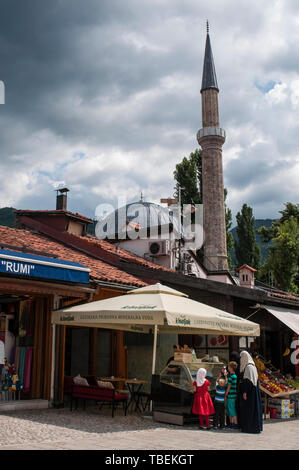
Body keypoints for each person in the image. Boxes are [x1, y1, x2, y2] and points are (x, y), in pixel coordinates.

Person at [238, 350, 263, 434]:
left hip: (250, 393)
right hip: (254, 391)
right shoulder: (252, 365)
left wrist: (245, 392)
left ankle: (249, 427)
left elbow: (247, 381)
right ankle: (255, 427)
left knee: (250, 410)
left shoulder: (248, 367)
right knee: (254, 409)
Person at [225, 361, 238, 429]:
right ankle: (231, 423)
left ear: (231, 368)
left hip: (230, 395)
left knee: (231, 410)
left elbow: (229, 386)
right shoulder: (234, 376)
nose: (227, 368)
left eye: (228, 366)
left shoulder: (231, 377)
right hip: (234, 395)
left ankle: (235, 423)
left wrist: (225, 395)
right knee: (230, 409)